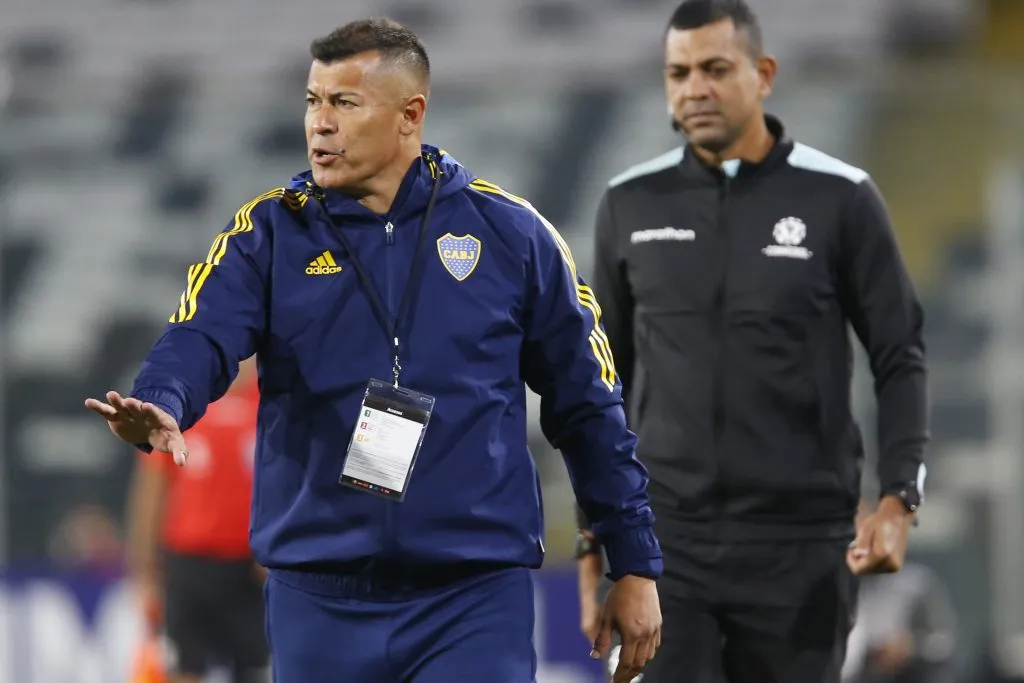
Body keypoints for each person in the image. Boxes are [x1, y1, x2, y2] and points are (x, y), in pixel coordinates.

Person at [85, 17, 664, 683]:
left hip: (471, 600)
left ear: (409, 115)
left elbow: (588, 405)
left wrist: (634, 559)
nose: (320, 124)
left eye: (344, 103)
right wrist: (163, 397)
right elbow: (200, 331)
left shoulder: (513, 236)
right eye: (313, 101)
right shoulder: (270, 233)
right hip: (319, 601)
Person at [575, 1, 929, 682]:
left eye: (715, 68)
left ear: (763, 74)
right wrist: (595, 539)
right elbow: (603, 385)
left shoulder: (843, 198)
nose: (694, 89)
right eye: (678, 73)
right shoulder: (628, 203)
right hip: (666, 541)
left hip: (802, 543)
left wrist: (898, 497)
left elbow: (900, 354)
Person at [126, 356, 268, 683]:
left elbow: (290, 478)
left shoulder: (271, 402)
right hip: (189, 562)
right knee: (184, 667)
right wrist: (144, 567)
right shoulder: (179, 403)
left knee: (255, 668)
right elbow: (152, 489)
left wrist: (278, 546)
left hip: (250, 564)